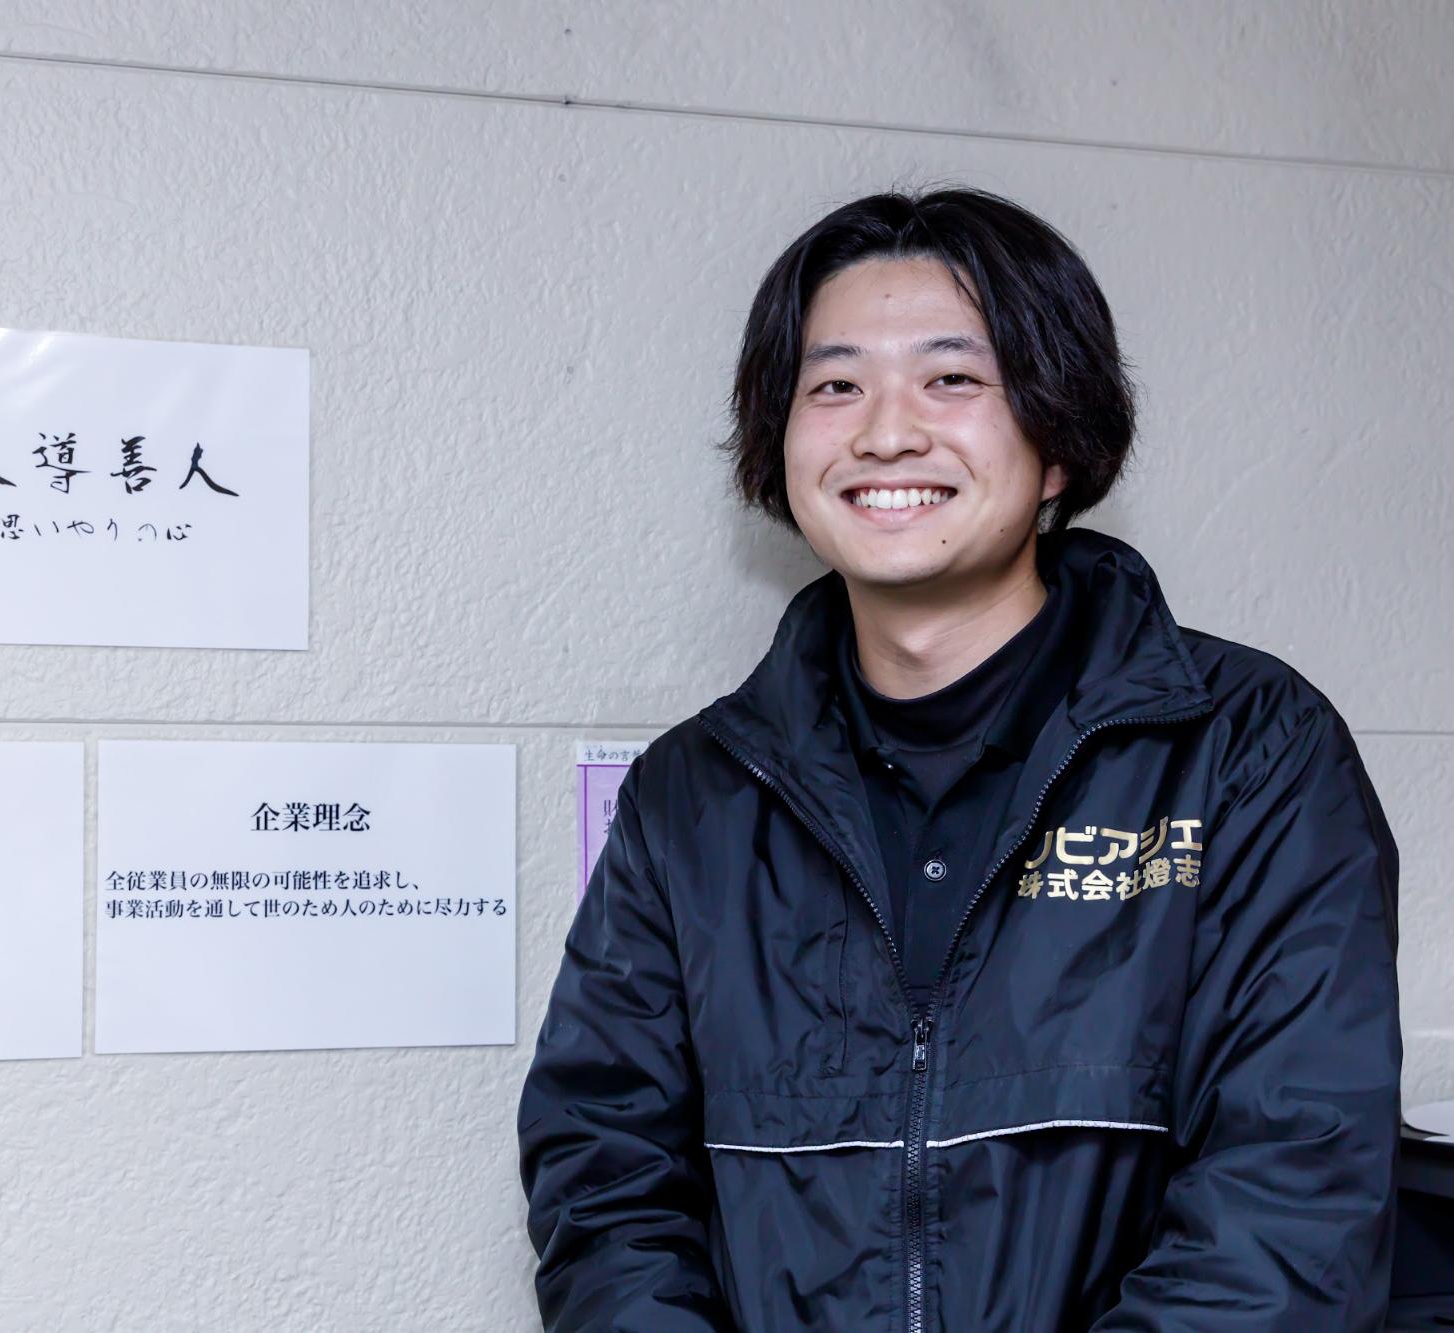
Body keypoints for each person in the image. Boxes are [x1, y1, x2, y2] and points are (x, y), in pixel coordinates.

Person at [517, 188, 1402, 1331]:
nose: (886, 433)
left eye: (951, 379)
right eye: (834, 386)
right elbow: (605, 1174)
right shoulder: (694, 792)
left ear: (1057, 442)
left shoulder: (1242, 746)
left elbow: (1292, 1196)